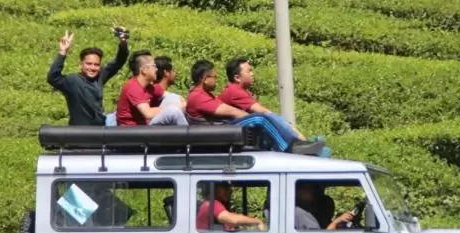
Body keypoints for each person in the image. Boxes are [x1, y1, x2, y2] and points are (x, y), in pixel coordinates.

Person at [186, 59, 326, 156]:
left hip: (224, 127)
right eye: (214, 77)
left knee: (263, 118)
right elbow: (232, 112)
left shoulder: (205, 95)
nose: (217, 80)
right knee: (261, 119)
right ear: (204, 78)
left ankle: (297, 143)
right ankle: (291, 147)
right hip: (223, 128)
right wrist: (257, 119)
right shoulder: (199, 96)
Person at [47, 27, 129, 126]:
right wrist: (63, 52)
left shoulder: (100, 76)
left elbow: (119, 61)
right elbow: (53, 77)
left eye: (96, 64)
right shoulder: (72, 81)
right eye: (88, 64)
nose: (92, 68)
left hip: (101, 128)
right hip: (80, 131)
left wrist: (123, 41)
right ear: (81, 64)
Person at [115, 50, 189, 126]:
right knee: (173, 111)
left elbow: (169, 95)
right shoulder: (133, 87)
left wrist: (181, 101)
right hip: (132, 131)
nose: (156, 69)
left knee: (173, 99)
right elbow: (148, 113)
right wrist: (175, 107)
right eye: (153, 66)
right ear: (144, 70)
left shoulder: (149, 87)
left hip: (146, 125)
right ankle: (190, 137)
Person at [196, 182, 265, 231]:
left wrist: (249, 219)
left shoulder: (216, 204)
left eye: (229, 187)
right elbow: (232, 220)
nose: (229, 190)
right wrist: (257, 221)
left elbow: (232, 216)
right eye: (224, 186)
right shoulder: (212, 204)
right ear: (214, 188)